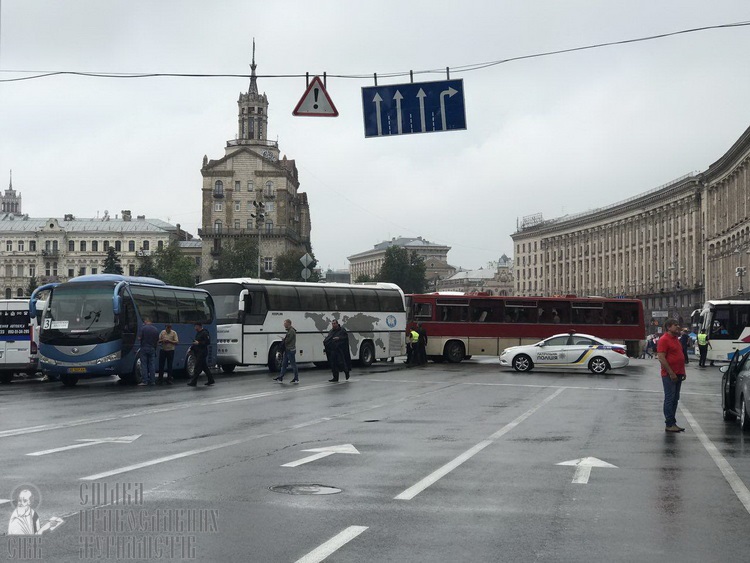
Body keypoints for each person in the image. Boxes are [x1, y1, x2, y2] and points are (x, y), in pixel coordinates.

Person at [657, 319, 686, 433]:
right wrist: (671, 372)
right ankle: (669, 423)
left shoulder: (676, 339)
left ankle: (672, 422)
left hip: (678, 373)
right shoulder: (664, 339)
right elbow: (661, 358)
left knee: (675, 399)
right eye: (675, 325)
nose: (678, 327)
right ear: (669, 327)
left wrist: (683, 372)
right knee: (669, 398)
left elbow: (680, 356)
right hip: (669, 374)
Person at [188, 322, 215, 386]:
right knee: (204, 367)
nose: (195, 328)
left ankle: (193, 382)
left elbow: (207, 342)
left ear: (199, 326)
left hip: (202, 352)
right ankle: (211, 380)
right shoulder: (198, 333)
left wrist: (199, 343)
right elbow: (196, 342)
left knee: (197, 367)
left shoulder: (204, 333)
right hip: (197, 352)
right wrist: (191, 348)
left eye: (196, 326)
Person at [274, 319, 299, 383]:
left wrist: (283, 340)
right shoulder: (290, 331)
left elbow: (288, 341)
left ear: (289, 323)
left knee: (293, 364)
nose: (284, 325)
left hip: (290, 350)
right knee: (284, 364)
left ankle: (296, 378)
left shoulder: (291, 331)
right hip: (288, 350)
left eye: (285, 323)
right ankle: (280, 378)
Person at [138, 317, 159, 386]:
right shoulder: (155, 329)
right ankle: (153, 381)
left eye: (144, 321)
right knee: (152, 364)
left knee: (144, 365)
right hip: (152, 348)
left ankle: (145, 381)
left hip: (144, 348)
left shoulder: (143, 328)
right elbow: (157, 340)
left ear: (146, 321)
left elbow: (139, 338)